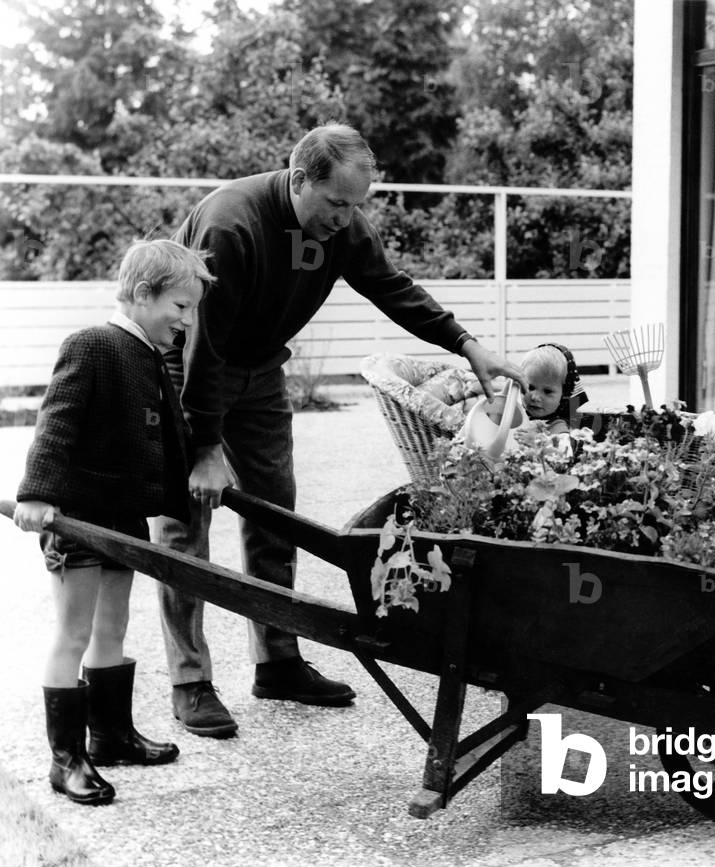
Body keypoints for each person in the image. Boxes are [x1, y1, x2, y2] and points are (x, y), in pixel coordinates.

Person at [158, 123, 527, 738]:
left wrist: (467, 345)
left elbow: (392, 288)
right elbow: (203, 345)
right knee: (184, 523)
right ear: (300, 179)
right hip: (188, 367)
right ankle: (190, 680)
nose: (347, 218)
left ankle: (277, 661)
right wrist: (205, 446)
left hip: (260, 370)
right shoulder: (231, 224)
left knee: (275, 514)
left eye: (357, 205)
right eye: (336, 203)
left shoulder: (343, 225)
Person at [14, 239, 210, 804]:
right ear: (143, 294)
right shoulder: (93, 344)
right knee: (74, 632)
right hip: (77, 517)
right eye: (180, 306)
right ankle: (66, 760)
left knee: (113, 628)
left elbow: (165, 432)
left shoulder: (148, 354)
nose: (188, 320)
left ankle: (111, 737)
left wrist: (195, 471)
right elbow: (57, 424)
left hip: (122, 518)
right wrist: (36, 494)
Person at [520, 343, 589, 435]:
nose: (535, 397)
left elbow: (561, 444)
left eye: (547, 391)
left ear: (564, 394)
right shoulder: (518, 415)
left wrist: (534, 440)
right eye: (530, 387)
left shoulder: (559, 426)